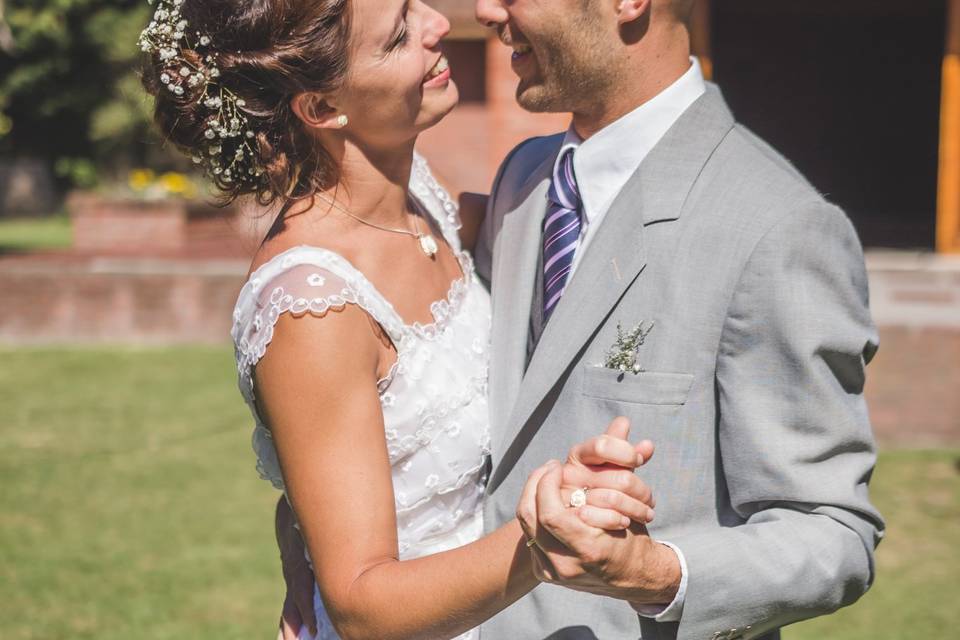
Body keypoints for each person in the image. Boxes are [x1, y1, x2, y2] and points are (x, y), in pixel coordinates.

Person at [277, 0, 887, 638]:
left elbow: (833, 532)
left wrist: (656, 573)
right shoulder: (523, 180)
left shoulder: (778, 227)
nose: (485, 11)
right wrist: (318, 544)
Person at [139, 1, 659, 640]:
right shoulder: (313, 306)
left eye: (415, 5)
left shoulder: (424, 201)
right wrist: (543, 543)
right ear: (323, 110)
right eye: (398, 36)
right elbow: (362, 605)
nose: (440, 24)